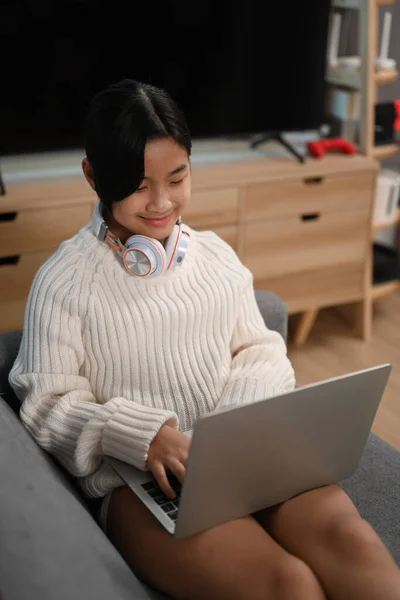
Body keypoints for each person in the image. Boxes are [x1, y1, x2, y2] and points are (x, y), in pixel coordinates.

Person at [9, 79, 400, 600]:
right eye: (139, 184)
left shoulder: (215, 256)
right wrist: (145, 435)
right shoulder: (63, 282)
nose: (162, 202)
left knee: (354, 544)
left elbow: (260, 350)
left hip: (247, 458)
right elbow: (45, 406)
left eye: (177, 177)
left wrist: (230, 432)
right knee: (289, 585)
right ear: (93, 174)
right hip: (140, 487)